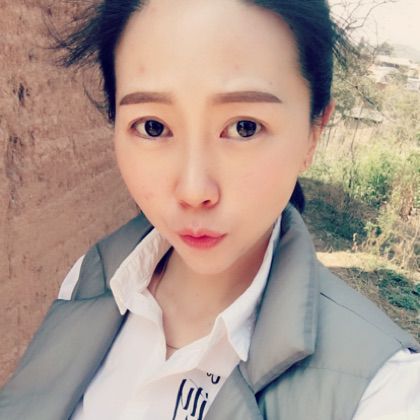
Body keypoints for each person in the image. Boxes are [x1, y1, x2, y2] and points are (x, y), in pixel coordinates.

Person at [1, 0, 419, 419]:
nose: (193, 190)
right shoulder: (92, 278)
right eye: (153, 127)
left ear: (313, 133)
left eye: (244, 128)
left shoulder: (382, 393)